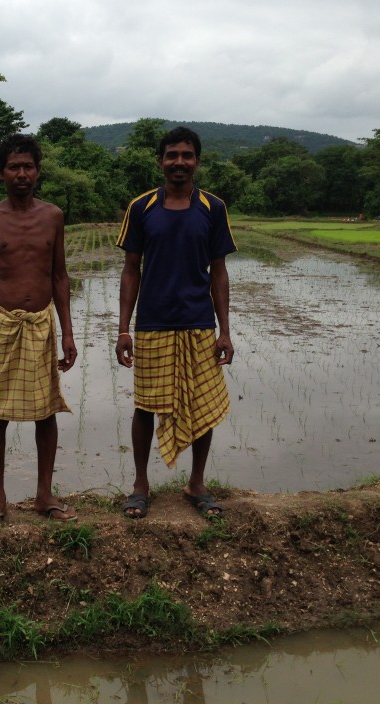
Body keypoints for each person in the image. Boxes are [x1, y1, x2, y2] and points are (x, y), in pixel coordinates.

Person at [114, 126, 236, 519]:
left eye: (186, 155)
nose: (179, 162)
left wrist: (225, 330)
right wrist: (122, 329)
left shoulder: (213, 208)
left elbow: (218, 272)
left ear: (197, 161)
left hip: (199, 323)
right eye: (172, 155)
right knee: (145, 406)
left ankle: (196, 483)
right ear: (161, 161)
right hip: (152, 323)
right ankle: (140, 485)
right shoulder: (142, 207)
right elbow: (131, 270)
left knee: (201, 405)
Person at [0, 133, 79, 531]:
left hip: (41, 323)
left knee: (45, 410)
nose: (21, 174)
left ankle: (44, 494)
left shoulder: (53, 216)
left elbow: (60, 275)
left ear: (38, 171)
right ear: (1, 173)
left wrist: (67, 332)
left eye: (28, 166)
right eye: (13, 166)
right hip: (1, 322)